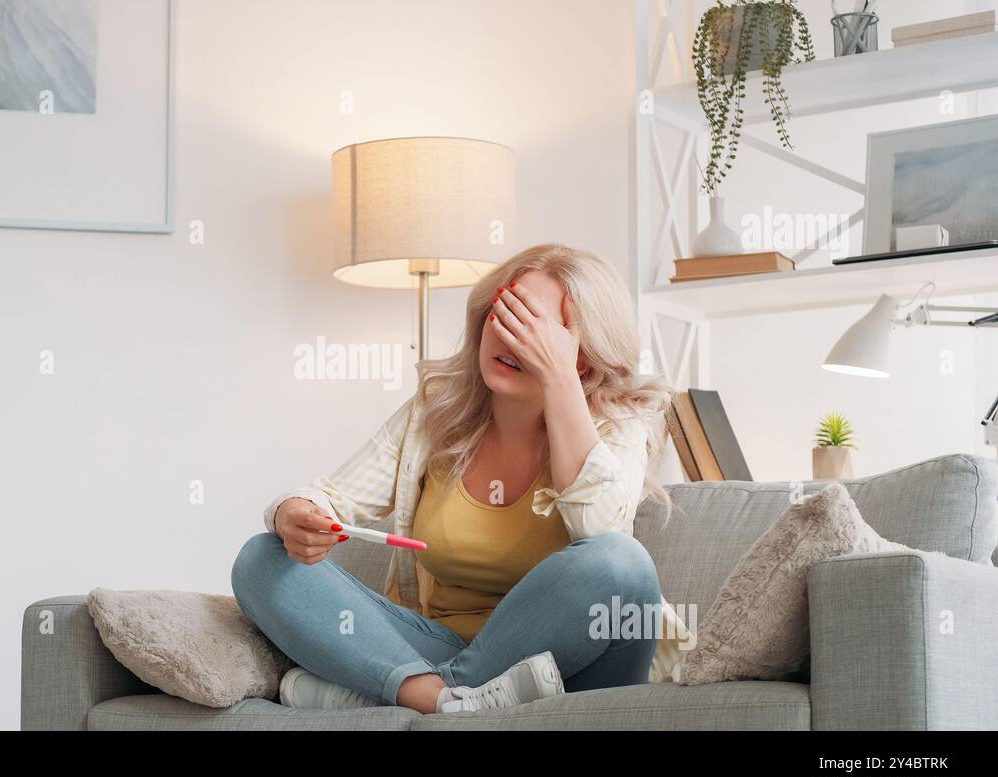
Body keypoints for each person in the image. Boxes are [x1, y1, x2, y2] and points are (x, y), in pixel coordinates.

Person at [232, 244, 688, 714]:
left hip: (571, 671)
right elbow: (327, 497)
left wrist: (560, 382)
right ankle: (442, 701)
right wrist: (298, 515)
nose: (509, 339)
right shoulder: (436, 410)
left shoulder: (620, 423)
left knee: (621, 563)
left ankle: (418, 691)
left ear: (584, 359)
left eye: (532, 328)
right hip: (433, 648)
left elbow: (600, 534)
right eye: (504, 313)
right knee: (262, 558)